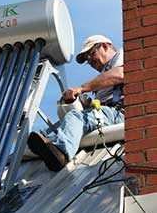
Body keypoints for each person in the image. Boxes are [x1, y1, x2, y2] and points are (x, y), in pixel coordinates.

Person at [27, 35, 124, 171]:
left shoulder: (122, 55)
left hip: (118, 113)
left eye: (91, 54)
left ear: (105, 46)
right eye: (87, 60)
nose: (89, 61)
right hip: (106, 114)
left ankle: (62, 153)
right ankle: (41, 144)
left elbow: (120, 74)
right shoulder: (103, 75)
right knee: (58, 128)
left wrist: (81, 88)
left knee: (75, 117)